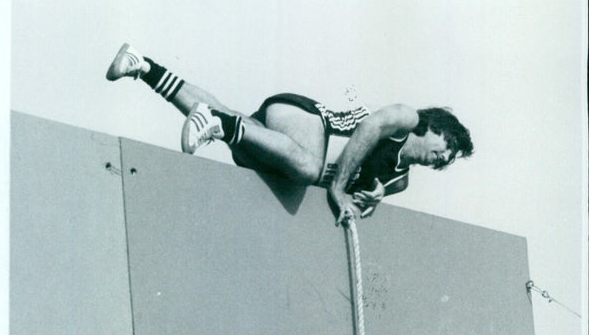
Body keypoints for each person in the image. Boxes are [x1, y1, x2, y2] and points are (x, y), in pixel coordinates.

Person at [106, 42, 473, 225]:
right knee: (310, 168)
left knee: (222, 112)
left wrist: (371, 201)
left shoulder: (400, 182)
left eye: (449, 159)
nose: (444, 157)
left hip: (283, 146)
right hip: (308, 120)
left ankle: (143, 66)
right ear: (436, 127)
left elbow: (356, 202)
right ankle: (222, 127)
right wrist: (339, 188)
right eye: (448, 146)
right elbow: (368, 128)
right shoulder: (405, 119)